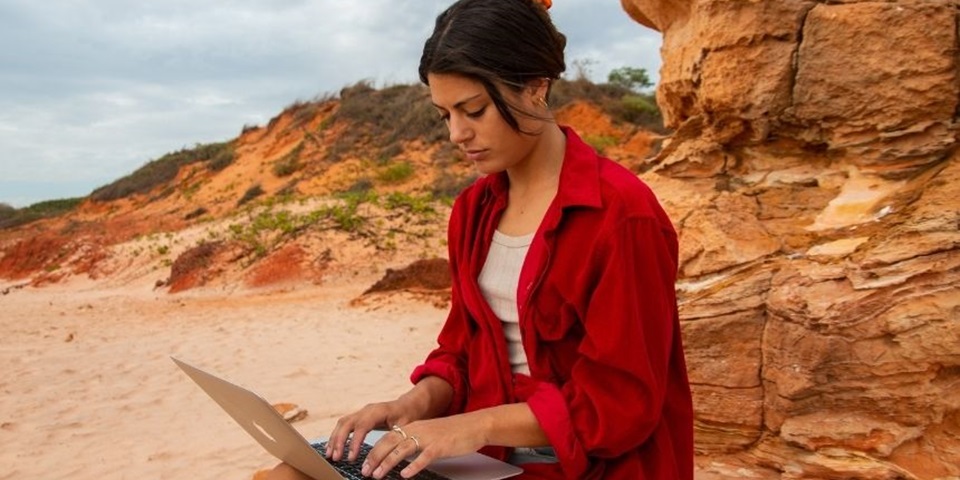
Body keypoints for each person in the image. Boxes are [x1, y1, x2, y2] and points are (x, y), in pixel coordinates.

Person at [266, 0, 693, 478]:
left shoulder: (622, 216)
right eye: (444, 114)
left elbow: (619, 406)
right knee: (290, 472)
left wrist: (471, 427)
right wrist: (415, 401)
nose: (456, 133)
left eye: (473, 110)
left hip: (586, 467)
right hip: (484, 463)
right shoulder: (474, 211)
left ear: (536, 87)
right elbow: (462, 350)